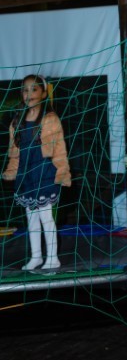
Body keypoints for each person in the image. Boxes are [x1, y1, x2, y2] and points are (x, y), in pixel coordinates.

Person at [2, 74, 71, 272]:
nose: (29, 93)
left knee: (45, 217)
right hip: (26, 174)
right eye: (25, 90)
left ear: (43, 93)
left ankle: (53, 258)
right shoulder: (18, 121)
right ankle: (36, 256)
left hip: (43, 171)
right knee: (31, 217)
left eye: (34, 89)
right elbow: (14, 152)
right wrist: (11, 171)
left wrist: (63, 172)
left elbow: (60, 149)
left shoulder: (50, 119)